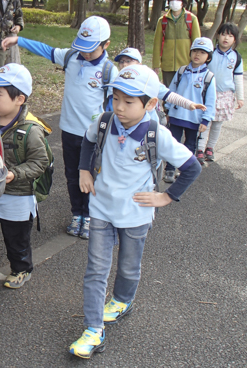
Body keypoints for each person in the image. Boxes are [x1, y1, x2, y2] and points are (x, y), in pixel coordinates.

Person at [70, 65, 202, 359]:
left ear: (151, 103)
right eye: (115, 98)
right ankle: (93, 330)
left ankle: (122, 300)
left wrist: (167, 197)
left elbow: (192, 166)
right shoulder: (105, 122)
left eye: (128, 102)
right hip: (101, 209)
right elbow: (88, 139)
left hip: (136, 214)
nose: (119, 107)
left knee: (129, 266)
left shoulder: (157, 134)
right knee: (95, 271)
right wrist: (84, 170)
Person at [2, 16, 119, 240]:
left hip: (93, 136)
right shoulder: (71, 56)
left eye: (91, 49)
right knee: (72, 175)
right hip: (69, 130)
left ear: (106, 45)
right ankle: (78, 214)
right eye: (82, 47)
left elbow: (115, 105)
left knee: (91, 175)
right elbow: (46, 49)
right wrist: (19, 40)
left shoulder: (108, 71)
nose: (85, 53)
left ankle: (91, 216)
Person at [0, 63, 49, 289]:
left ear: (19, 99)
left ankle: (21, 269)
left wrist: (16, 173)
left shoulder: (31, 130)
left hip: (18, 197)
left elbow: (40, 162)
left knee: (17, 240)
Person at [164, 37, 216, 182]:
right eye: (195, 51)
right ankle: (169, 169)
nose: (197, 55)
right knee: (172, 142)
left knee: (190, 145)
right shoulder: (181, 71)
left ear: (208, 57)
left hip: (194, 118)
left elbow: (211, 101)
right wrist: (168, 110)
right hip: (176, 115)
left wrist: (206, 120)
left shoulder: (208, 77)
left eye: (202, 52)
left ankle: (184, 170)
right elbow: (171, 92)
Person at [112, 47, 207, 122]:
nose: (124, 64)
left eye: (129, 61)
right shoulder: (119, 80)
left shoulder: (147, 79)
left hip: (147, 124)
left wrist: (189, 104)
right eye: (121, 61)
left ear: (139, 63)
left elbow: (168, 95)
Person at [197, 23, 244, 163]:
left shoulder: (236, 57)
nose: (226, 38)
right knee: (206, 121)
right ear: (218, 35)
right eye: (224, 34)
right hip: (208, 94)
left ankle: (210, 148)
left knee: (217, 124)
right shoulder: (210, 54)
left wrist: (240, 98)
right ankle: (199, 148)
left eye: (230, 36)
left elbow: (238, 78)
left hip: (226, 95)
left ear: (235, 39)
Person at [152, 0, 201, 87]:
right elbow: (157, 44)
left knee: (184, 93)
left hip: (186, 64)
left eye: (178, 0)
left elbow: (197, 44)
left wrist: (197, 62)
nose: (175, 2)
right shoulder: (163, 21)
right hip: (168, 65)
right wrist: (156, 64)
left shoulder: (191, 19)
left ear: (183, 2)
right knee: (169, 93)